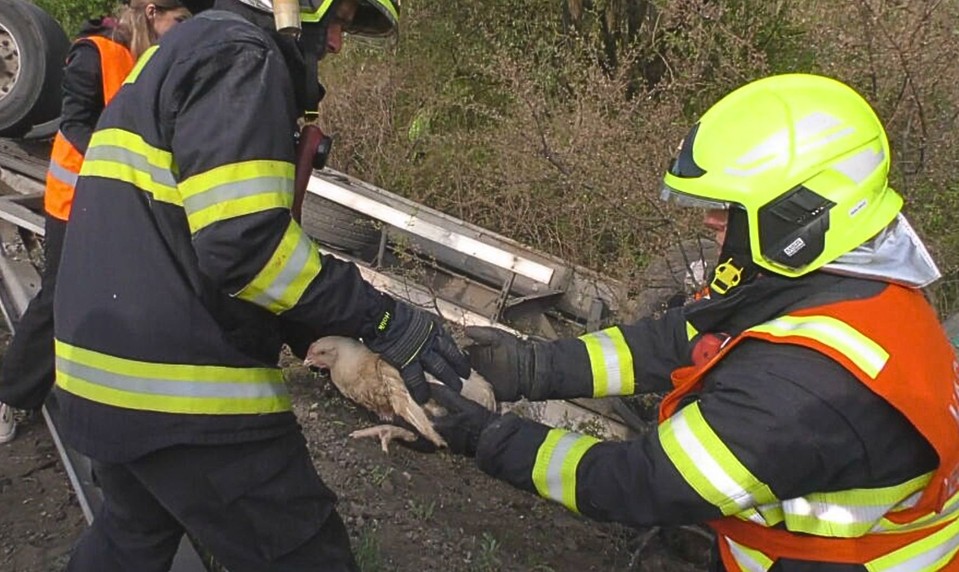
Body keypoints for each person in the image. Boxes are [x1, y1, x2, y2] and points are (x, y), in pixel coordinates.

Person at [431, 74, 959, 570]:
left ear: (799, 215)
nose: (709, 219)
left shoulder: (808, 387)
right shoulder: (826, 285)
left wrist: (490, 439)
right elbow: (675, 341)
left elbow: (641, 482)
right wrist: (532, 367)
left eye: (728, 207)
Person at [51, 0, 469, 570]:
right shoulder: (239, 56)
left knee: (131, 538)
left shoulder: (187, 49)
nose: (339, 44)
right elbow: (245, 247)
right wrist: (383, 319)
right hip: (187, 395)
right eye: (340, 20)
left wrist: (331, 334)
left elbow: (199, 239)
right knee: (304, 554)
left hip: (107, 378)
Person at [0, 0, 193, 443]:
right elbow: (75, 125)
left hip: (122, 200)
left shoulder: (156, 57)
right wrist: (127, 159)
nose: (182, 31)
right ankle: (12, 394)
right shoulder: (94, 53)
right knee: (58, 298)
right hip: (75, 201)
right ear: (151, 12)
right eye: (178, 21)